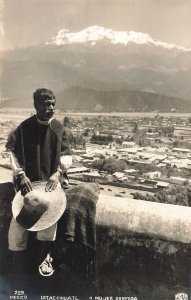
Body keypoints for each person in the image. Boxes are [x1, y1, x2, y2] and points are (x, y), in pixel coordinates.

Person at [6, 88, 72, 275]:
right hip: (28, 183)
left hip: (50, 183)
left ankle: (43, 260)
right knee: (18, 222)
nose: (50, 107)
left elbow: (67, 156)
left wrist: (58, 173)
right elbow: (13, 153)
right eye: (46, 104)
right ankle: (17, 265)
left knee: (50, 221)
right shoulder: (23, 128)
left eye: (52, 103)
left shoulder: (59, 129)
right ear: (36, 106)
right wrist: (21, 175)